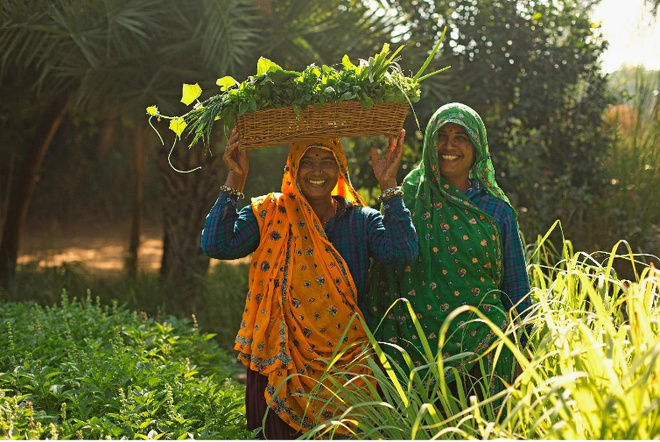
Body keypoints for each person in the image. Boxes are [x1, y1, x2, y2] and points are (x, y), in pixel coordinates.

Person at [201, 127, 418, 438]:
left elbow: (402, 252)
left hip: (347, 367)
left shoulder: (361, 220)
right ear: (293, 168)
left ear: (340, 169)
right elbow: (217, 245)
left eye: (327, 161)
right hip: (283, 363)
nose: (317, 171)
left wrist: (388, 185)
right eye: (308, 161)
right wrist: (235, 178)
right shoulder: (272, 214)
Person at [368, 102, 531, 398]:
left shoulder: (497, 210)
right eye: (441, 136)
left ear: (477, 145)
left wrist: (525, 353)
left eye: (461, 137)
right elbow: (389, 262)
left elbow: (517, 288)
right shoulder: (408, 198)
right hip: (417, 354)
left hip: (487, 350)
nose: (449, 146)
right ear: (430, 142)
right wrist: (388, 185)